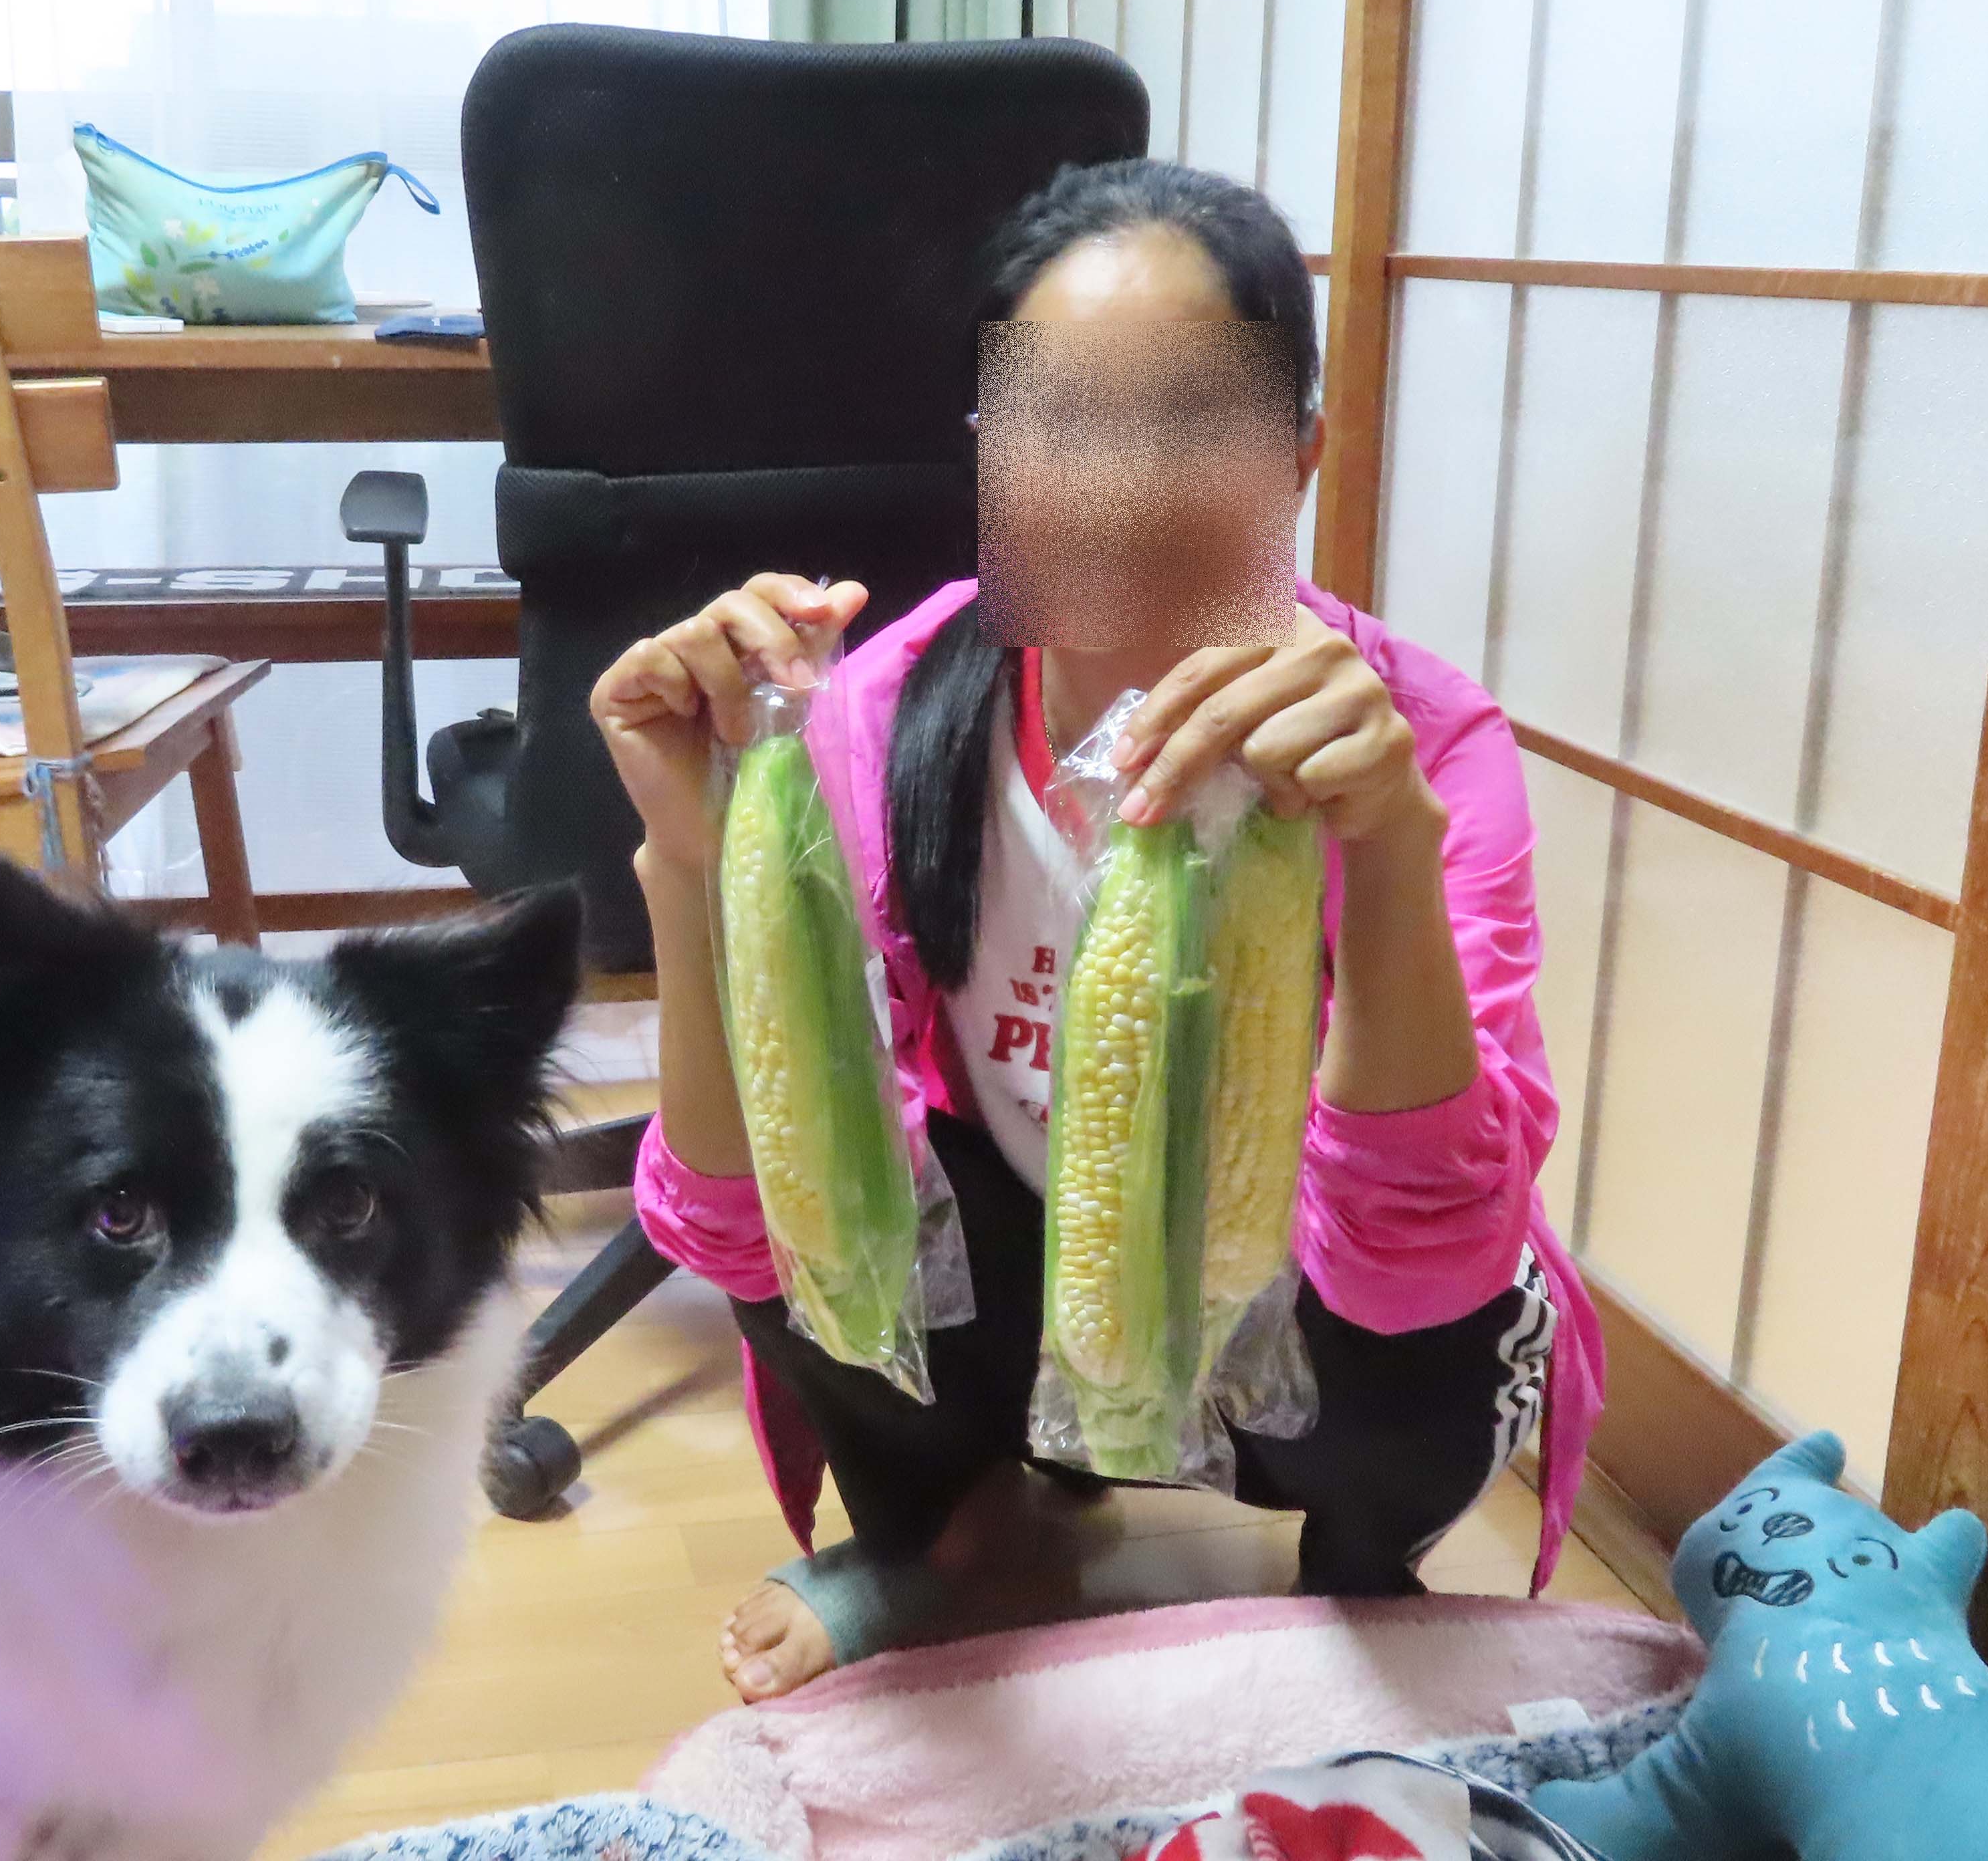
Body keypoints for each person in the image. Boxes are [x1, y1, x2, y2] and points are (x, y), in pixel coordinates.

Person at [592, 158, 1604, 1704]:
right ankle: (944, 1539)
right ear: (987, 453)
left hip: (1315, 1307)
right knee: (830, 1232)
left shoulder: (1421, 745)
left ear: (1300, 452)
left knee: (1454, 1315)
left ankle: (1354, 1576)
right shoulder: (880, 717)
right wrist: (691, 856)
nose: (1120, 487)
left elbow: (1426, 1251)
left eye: (1193, 421)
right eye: (1056, 422)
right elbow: (751, 1220)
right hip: (1020, 1275)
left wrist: (1389, 853)